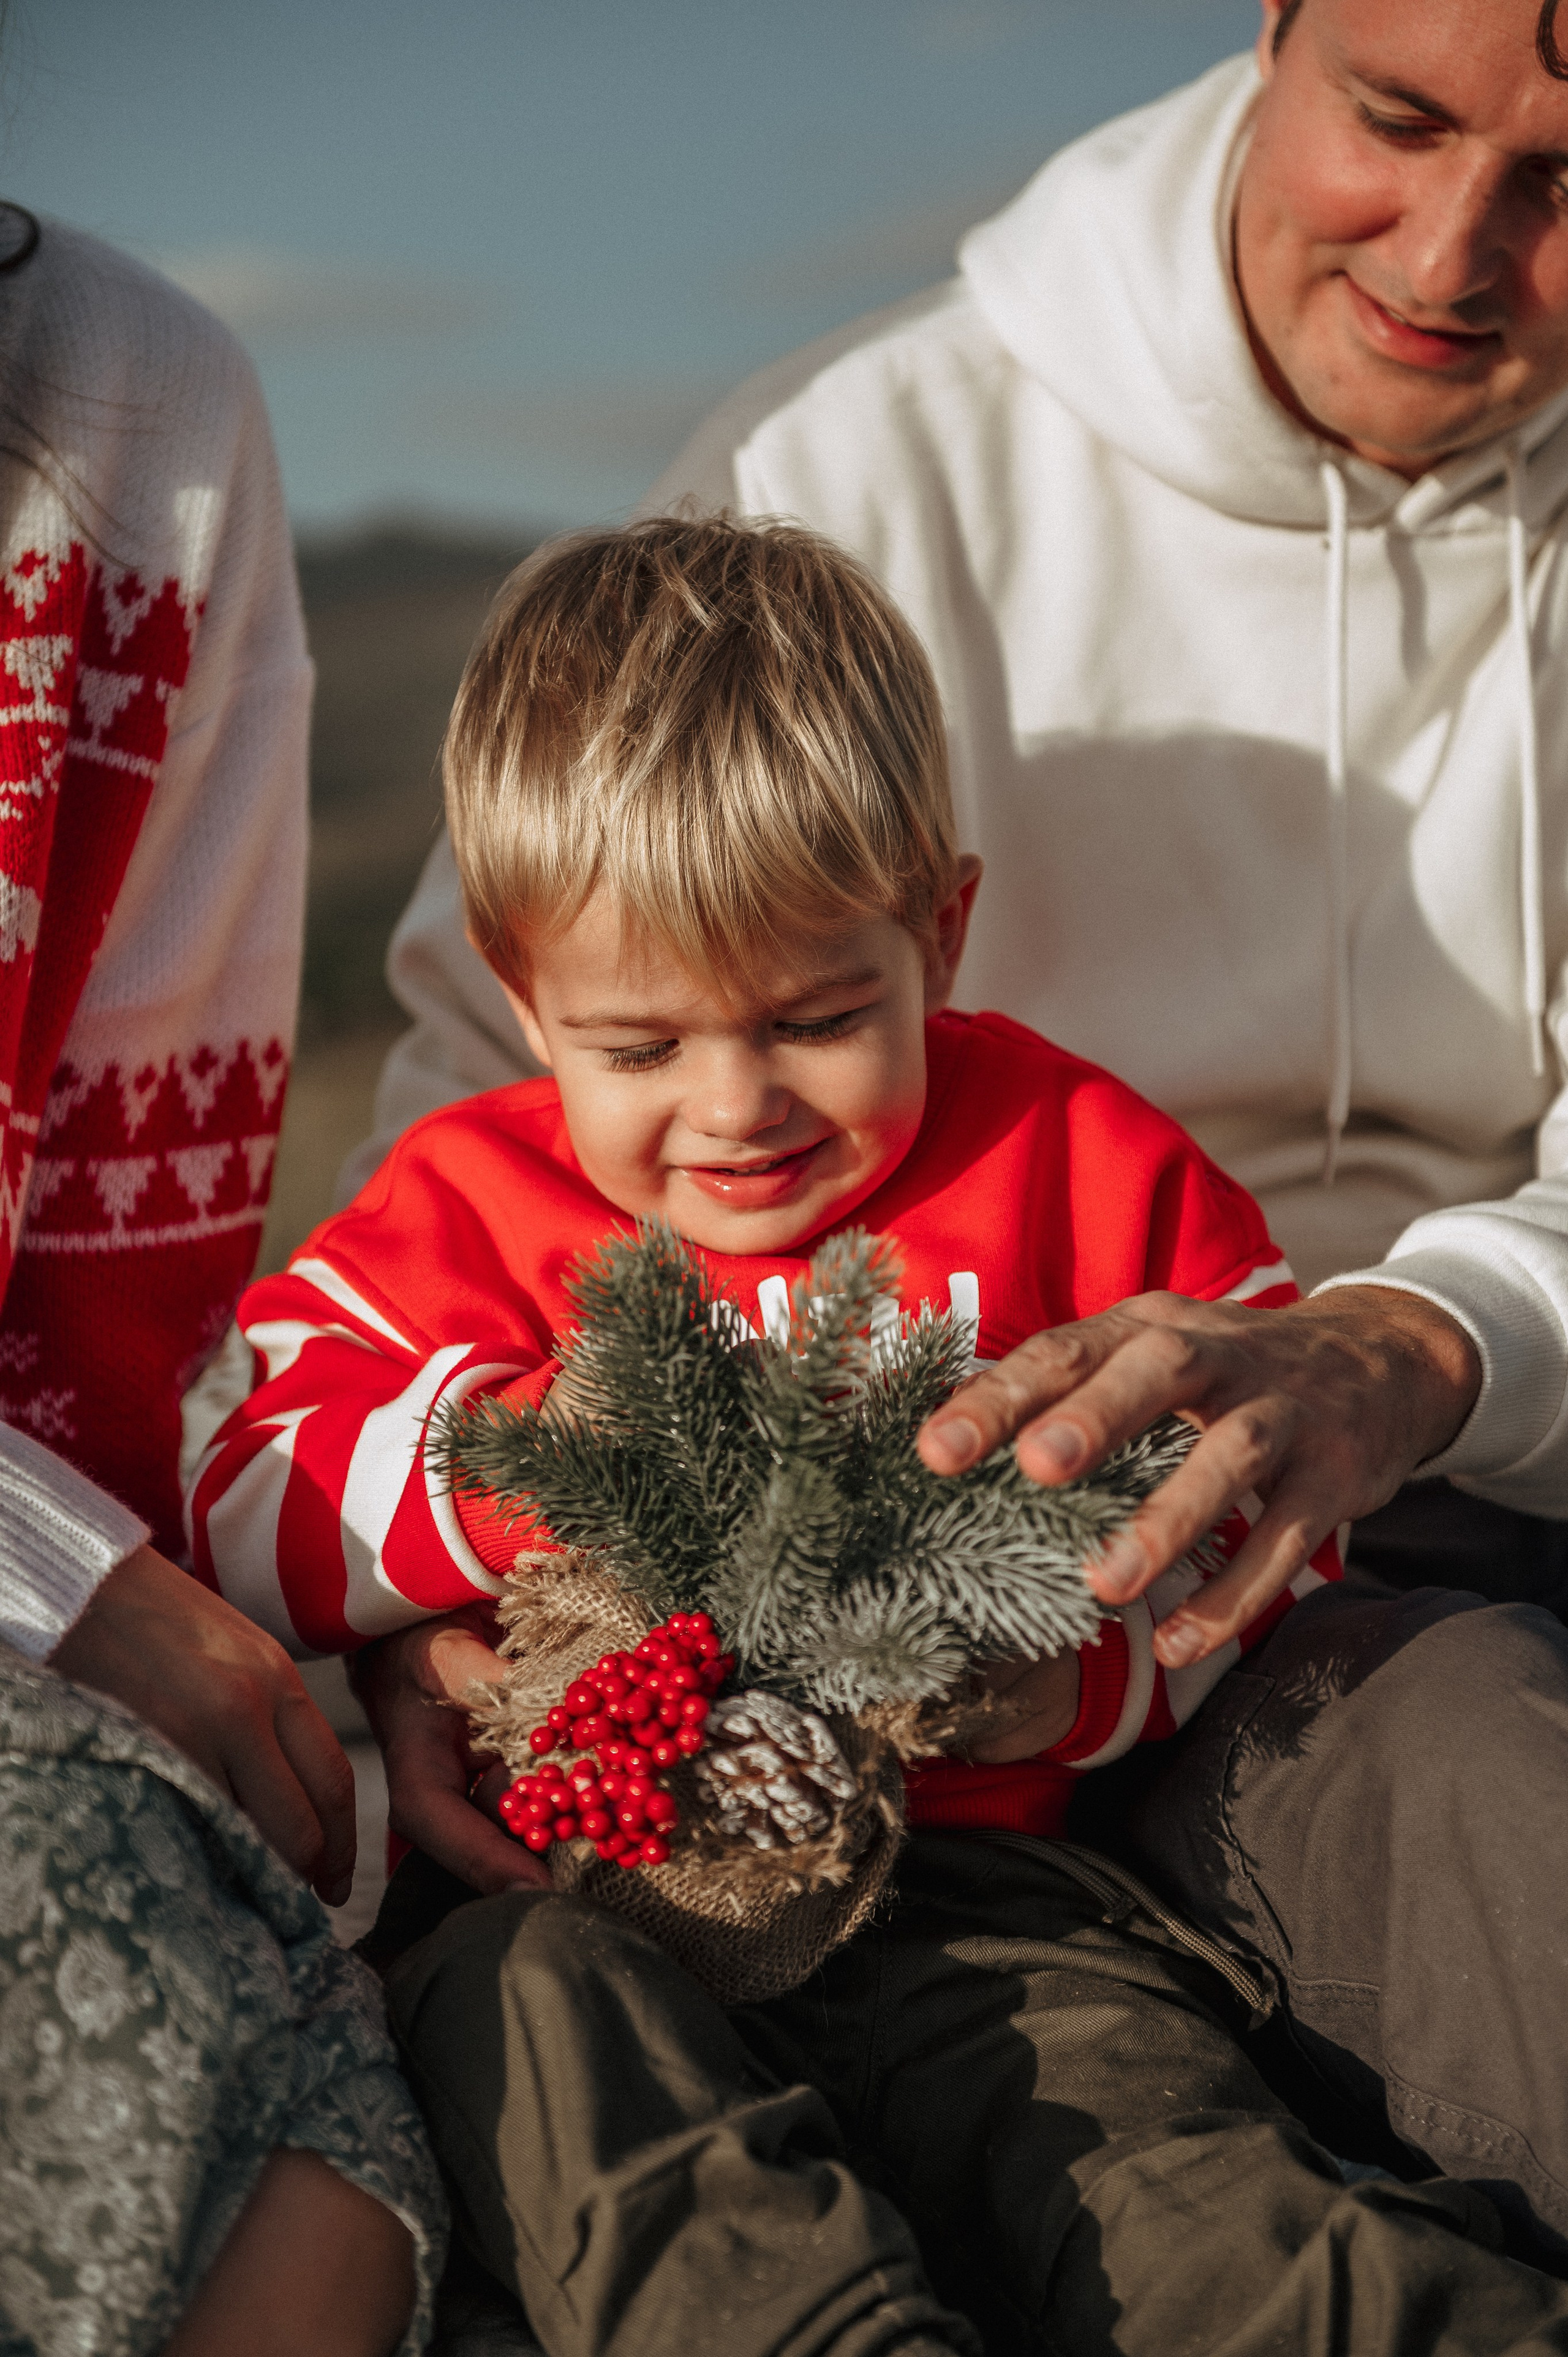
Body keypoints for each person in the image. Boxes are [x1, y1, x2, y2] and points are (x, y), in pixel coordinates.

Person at [342, 0, 1568, 2271]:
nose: (1459, 251)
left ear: (945, 931)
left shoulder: (1109, 1161)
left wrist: (1418, 1351)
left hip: (1411, 1523)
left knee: (1485, 1792)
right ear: (1277, 30)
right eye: (1393, 118)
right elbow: (478, 1166)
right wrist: (447, 1606)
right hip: (840, 1681)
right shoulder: (855, 468)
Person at [198, 514, 1568, 2356]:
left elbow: (1258, 1510)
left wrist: (1072, 1695)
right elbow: (242, 1477)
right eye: (638, 1047)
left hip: (981, 1897)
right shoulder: (469, 1201)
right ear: (523, 994)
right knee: (543, 2066)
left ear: (938, 928)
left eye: (821, 1018)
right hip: (572, 1900)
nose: (737, 1106)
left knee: (1159, 2180)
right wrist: (528, 1467)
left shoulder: (1074, 1159)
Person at [0, 206, 444, 2354]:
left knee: (315, 2096)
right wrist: (58, 1581)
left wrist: (388, 1609)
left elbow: (119, 1309)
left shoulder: (131, 408)